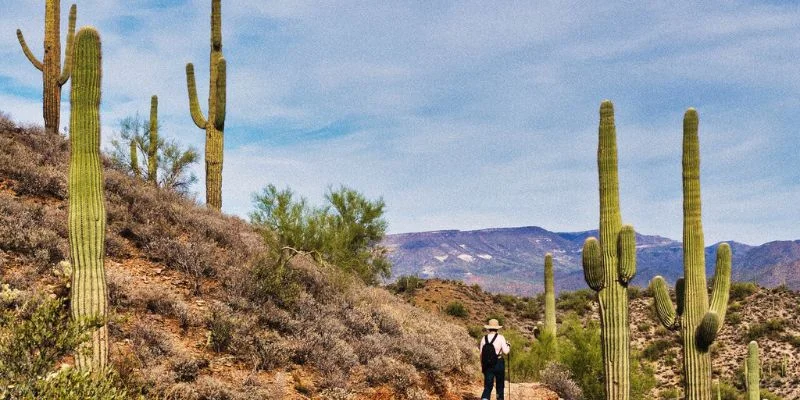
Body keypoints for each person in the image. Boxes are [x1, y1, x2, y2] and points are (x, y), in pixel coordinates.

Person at [479, 318, 510, 400]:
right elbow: (506, 352)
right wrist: (508, 345)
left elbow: (481, 354)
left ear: (488, 328)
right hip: (499, 362)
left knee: (488, 386)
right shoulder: (501, 337)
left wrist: (482, 365)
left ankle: (485, 398)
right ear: (497, 328)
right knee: (500, 386)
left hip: (487, 364)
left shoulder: (484, 338)